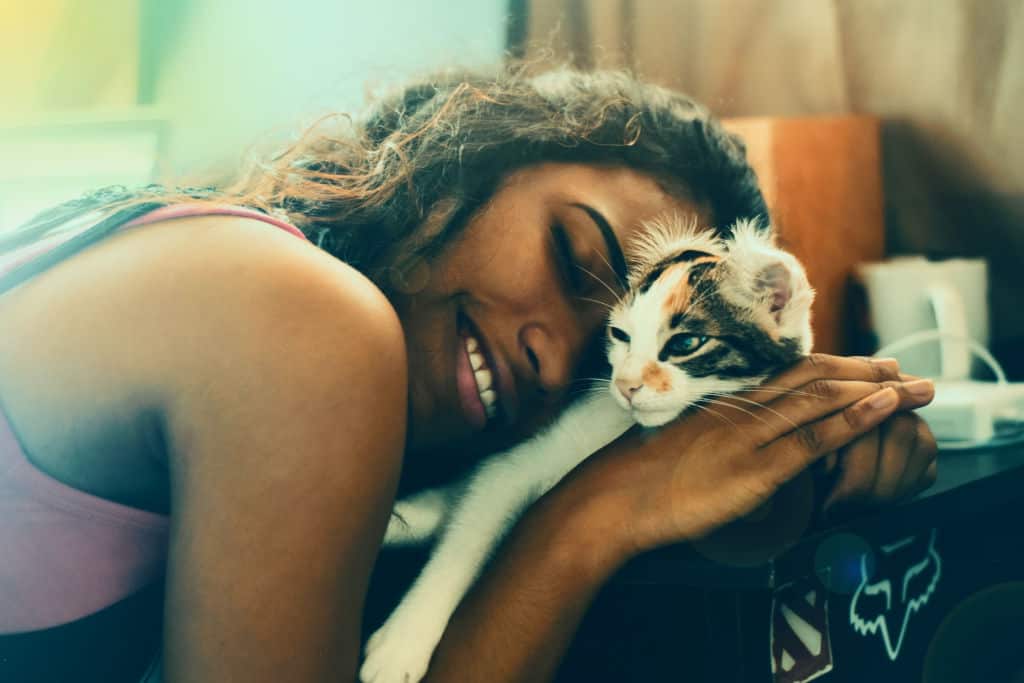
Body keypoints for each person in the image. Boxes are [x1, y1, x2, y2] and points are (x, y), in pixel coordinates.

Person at [0, 68, 937, 682]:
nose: (559, 362)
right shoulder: (304, 319)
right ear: (485, 149)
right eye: (574, 258)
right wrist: (586, 522)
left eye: (601, 337)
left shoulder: (243, 268)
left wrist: (803, 473)